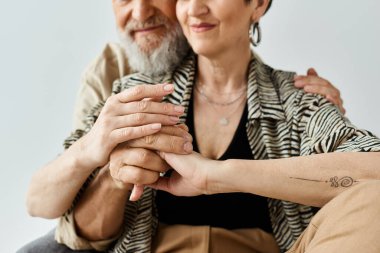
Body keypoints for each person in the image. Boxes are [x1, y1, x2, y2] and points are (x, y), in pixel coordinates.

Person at [18, 0, 350, 253]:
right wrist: (102, 157)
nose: (193, 9)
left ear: (259, 5)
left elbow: (362, 171)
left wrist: (216, 175)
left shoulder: (291, 98)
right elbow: (53, 210)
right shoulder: (119, 79)